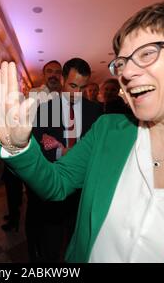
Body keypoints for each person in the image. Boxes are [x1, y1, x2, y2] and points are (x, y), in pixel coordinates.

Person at [0, 0, 164, 262]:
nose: (127, 72)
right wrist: (18, 146)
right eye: (122, 62)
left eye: (147, 53)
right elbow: (56, 184)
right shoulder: (108, 130)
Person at [28, 58, 102, 262]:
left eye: (83, 87)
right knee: (50, 245)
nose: (77, 93)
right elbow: (38, 150)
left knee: (78, 244)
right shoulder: (43, 110)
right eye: (73, 85)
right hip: (54, 186)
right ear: (62, 80)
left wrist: (69, 151)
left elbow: (97, 150)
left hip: (82, 190)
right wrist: (61, 152)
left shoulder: (95, 111)